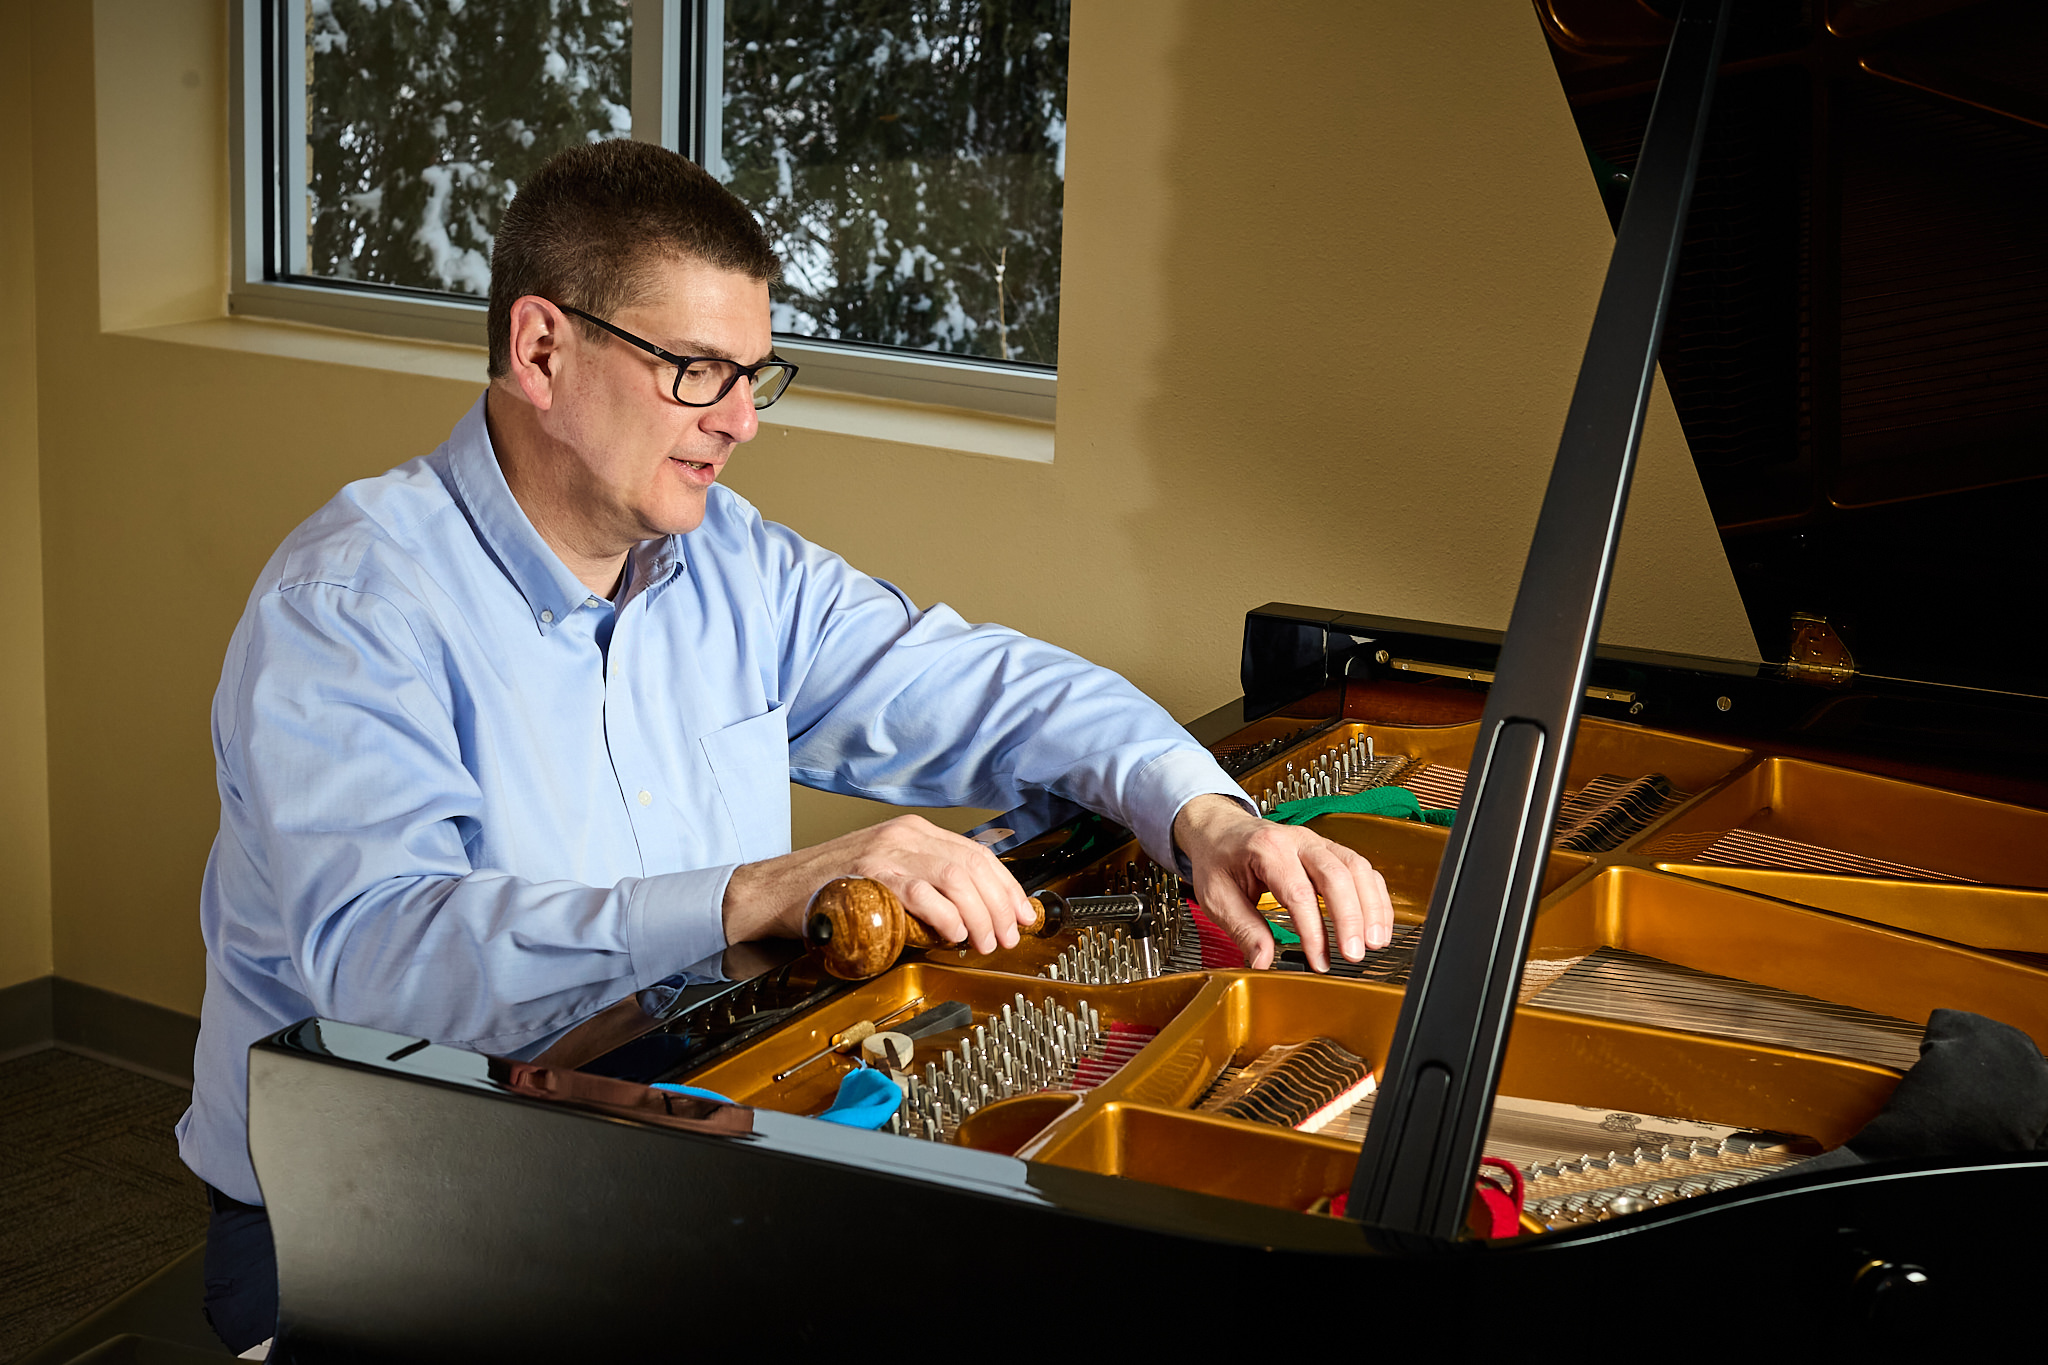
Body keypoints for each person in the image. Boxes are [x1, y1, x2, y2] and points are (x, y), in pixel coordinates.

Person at [178, 139, 1393, 1351]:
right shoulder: (349, 605)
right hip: (381, 1213)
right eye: (698, 371)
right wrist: (762, 890)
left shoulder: (733, 565)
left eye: (757, 374)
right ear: (541, 350)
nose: (744, 422)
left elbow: (993, 689)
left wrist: (1203, 813)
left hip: (667, 1146)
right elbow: (385, 967)